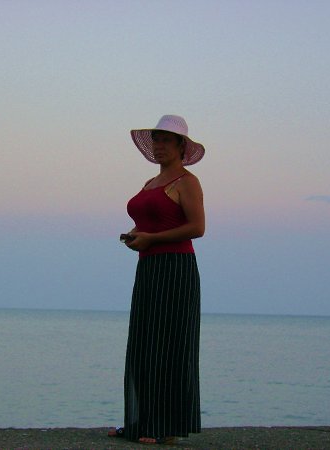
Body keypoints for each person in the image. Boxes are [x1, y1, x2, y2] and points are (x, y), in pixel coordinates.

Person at [109, 115, 205, 445]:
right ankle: (139, 422)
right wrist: (137, 234)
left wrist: (152, 238)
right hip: (149, 267)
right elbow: (152, 221)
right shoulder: (151, 182)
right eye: (156, 139)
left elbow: (197, 227)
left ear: (181, 146)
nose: (160, 145)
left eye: (166, 140)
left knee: (167, 346)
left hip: (176, 268)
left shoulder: (187, 182)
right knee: (143, 343)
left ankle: (163, 428)